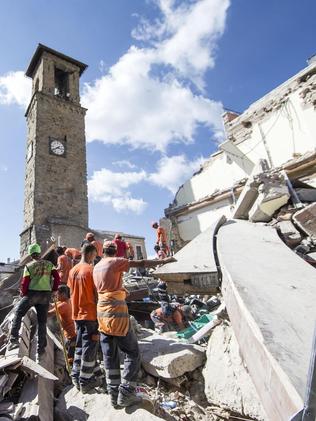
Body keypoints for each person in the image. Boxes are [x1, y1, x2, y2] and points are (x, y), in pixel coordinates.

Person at [93, 240, 175, 408]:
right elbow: (142, 262)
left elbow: (106, 287)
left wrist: (121, 290)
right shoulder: (115, 262)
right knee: (132, 352)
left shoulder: (97, 266)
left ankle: (114, 395)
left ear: (103, 252)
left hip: (101, 312)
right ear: (114, 252)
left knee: (109, 355)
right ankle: (126, 393)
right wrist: (163, 261)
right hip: (116, 312)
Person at [8, 243, 60, 356]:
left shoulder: (29, 266)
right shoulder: (49, 264)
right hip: (45, 296)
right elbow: (57, 277)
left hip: (32, 294)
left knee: (18, 313)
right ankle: (41, 349)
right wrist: (55, 290)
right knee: (42, 322)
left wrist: (23, 293)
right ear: (39, 252)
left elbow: (25, 282)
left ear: (31, 254)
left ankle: (13, 340)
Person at [67, 243, 104, 393]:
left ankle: (76, 375)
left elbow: (71, 292)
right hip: (90, 314)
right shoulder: (91, 270)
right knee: (90, 348)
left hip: (77, 315)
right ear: (90, 254)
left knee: (81, 347)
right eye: (95, 255)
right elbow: (97, 294)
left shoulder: (72, 271)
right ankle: (85, 381)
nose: (95, 258)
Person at [48, 284, 76, 365]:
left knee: (70, 357)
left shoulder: (64, 305)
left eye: (57, 294)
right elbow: (52, 305)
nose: (56, 297)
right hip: (72, 333)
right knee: (71, 354)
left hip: (72, 335)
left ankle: (71, 373)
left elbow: (49, 314)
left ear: (63, 294)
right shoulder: (66, 301)